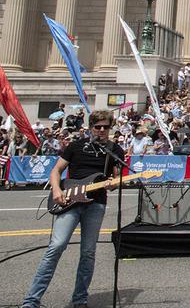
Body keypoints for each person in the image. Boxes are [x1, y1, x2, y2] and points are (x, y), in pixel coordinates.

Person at [22, 110, 124, 308]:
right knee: (57, 246)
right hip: (69, 201)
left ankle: (80, 299)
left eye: (105, 127)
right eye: (98, 126)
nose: (101, 130)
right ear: (90, 127)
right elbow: (56, 171)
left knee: (88, 252)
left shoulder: (114, 150)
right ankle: (31, 300)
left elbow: (117, 177)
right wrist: (57, 190)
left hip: (96, 203)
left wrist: (114, 183)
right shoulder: (76, 146)